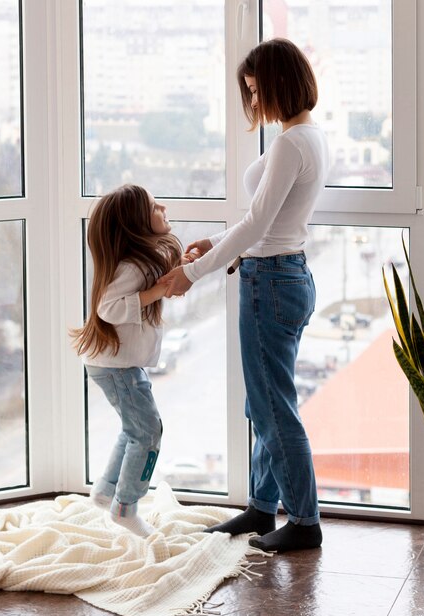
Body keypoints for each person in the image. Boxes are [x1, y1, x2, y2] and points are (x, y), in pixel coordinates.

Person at [159, 38, 329, 552]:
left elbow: (258, 223)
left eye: (256, 91)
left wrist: (195, 273)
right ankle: (261, 508)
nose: (253, 103)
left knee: (273, 408)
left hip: (271, 281)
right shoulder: (309, 137)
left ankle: (304, 521)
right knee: (267, 404)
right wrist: (218, 242)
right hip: (286, 273)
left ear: (279, 83)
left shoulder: (289, 144)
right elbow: (267, 219)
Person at [70, 184, 183, 538]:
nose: (163, 205)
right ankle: (124, 508)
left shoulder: (140, 262)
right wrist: (157, 291)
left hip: (114, 365)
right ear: (137, 223)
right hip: (116, 368)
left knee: (134, 429)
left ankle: (105, 492)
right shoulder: (132, 268)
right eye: (154, 206)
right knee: (149, 433)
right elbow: (109, 307)